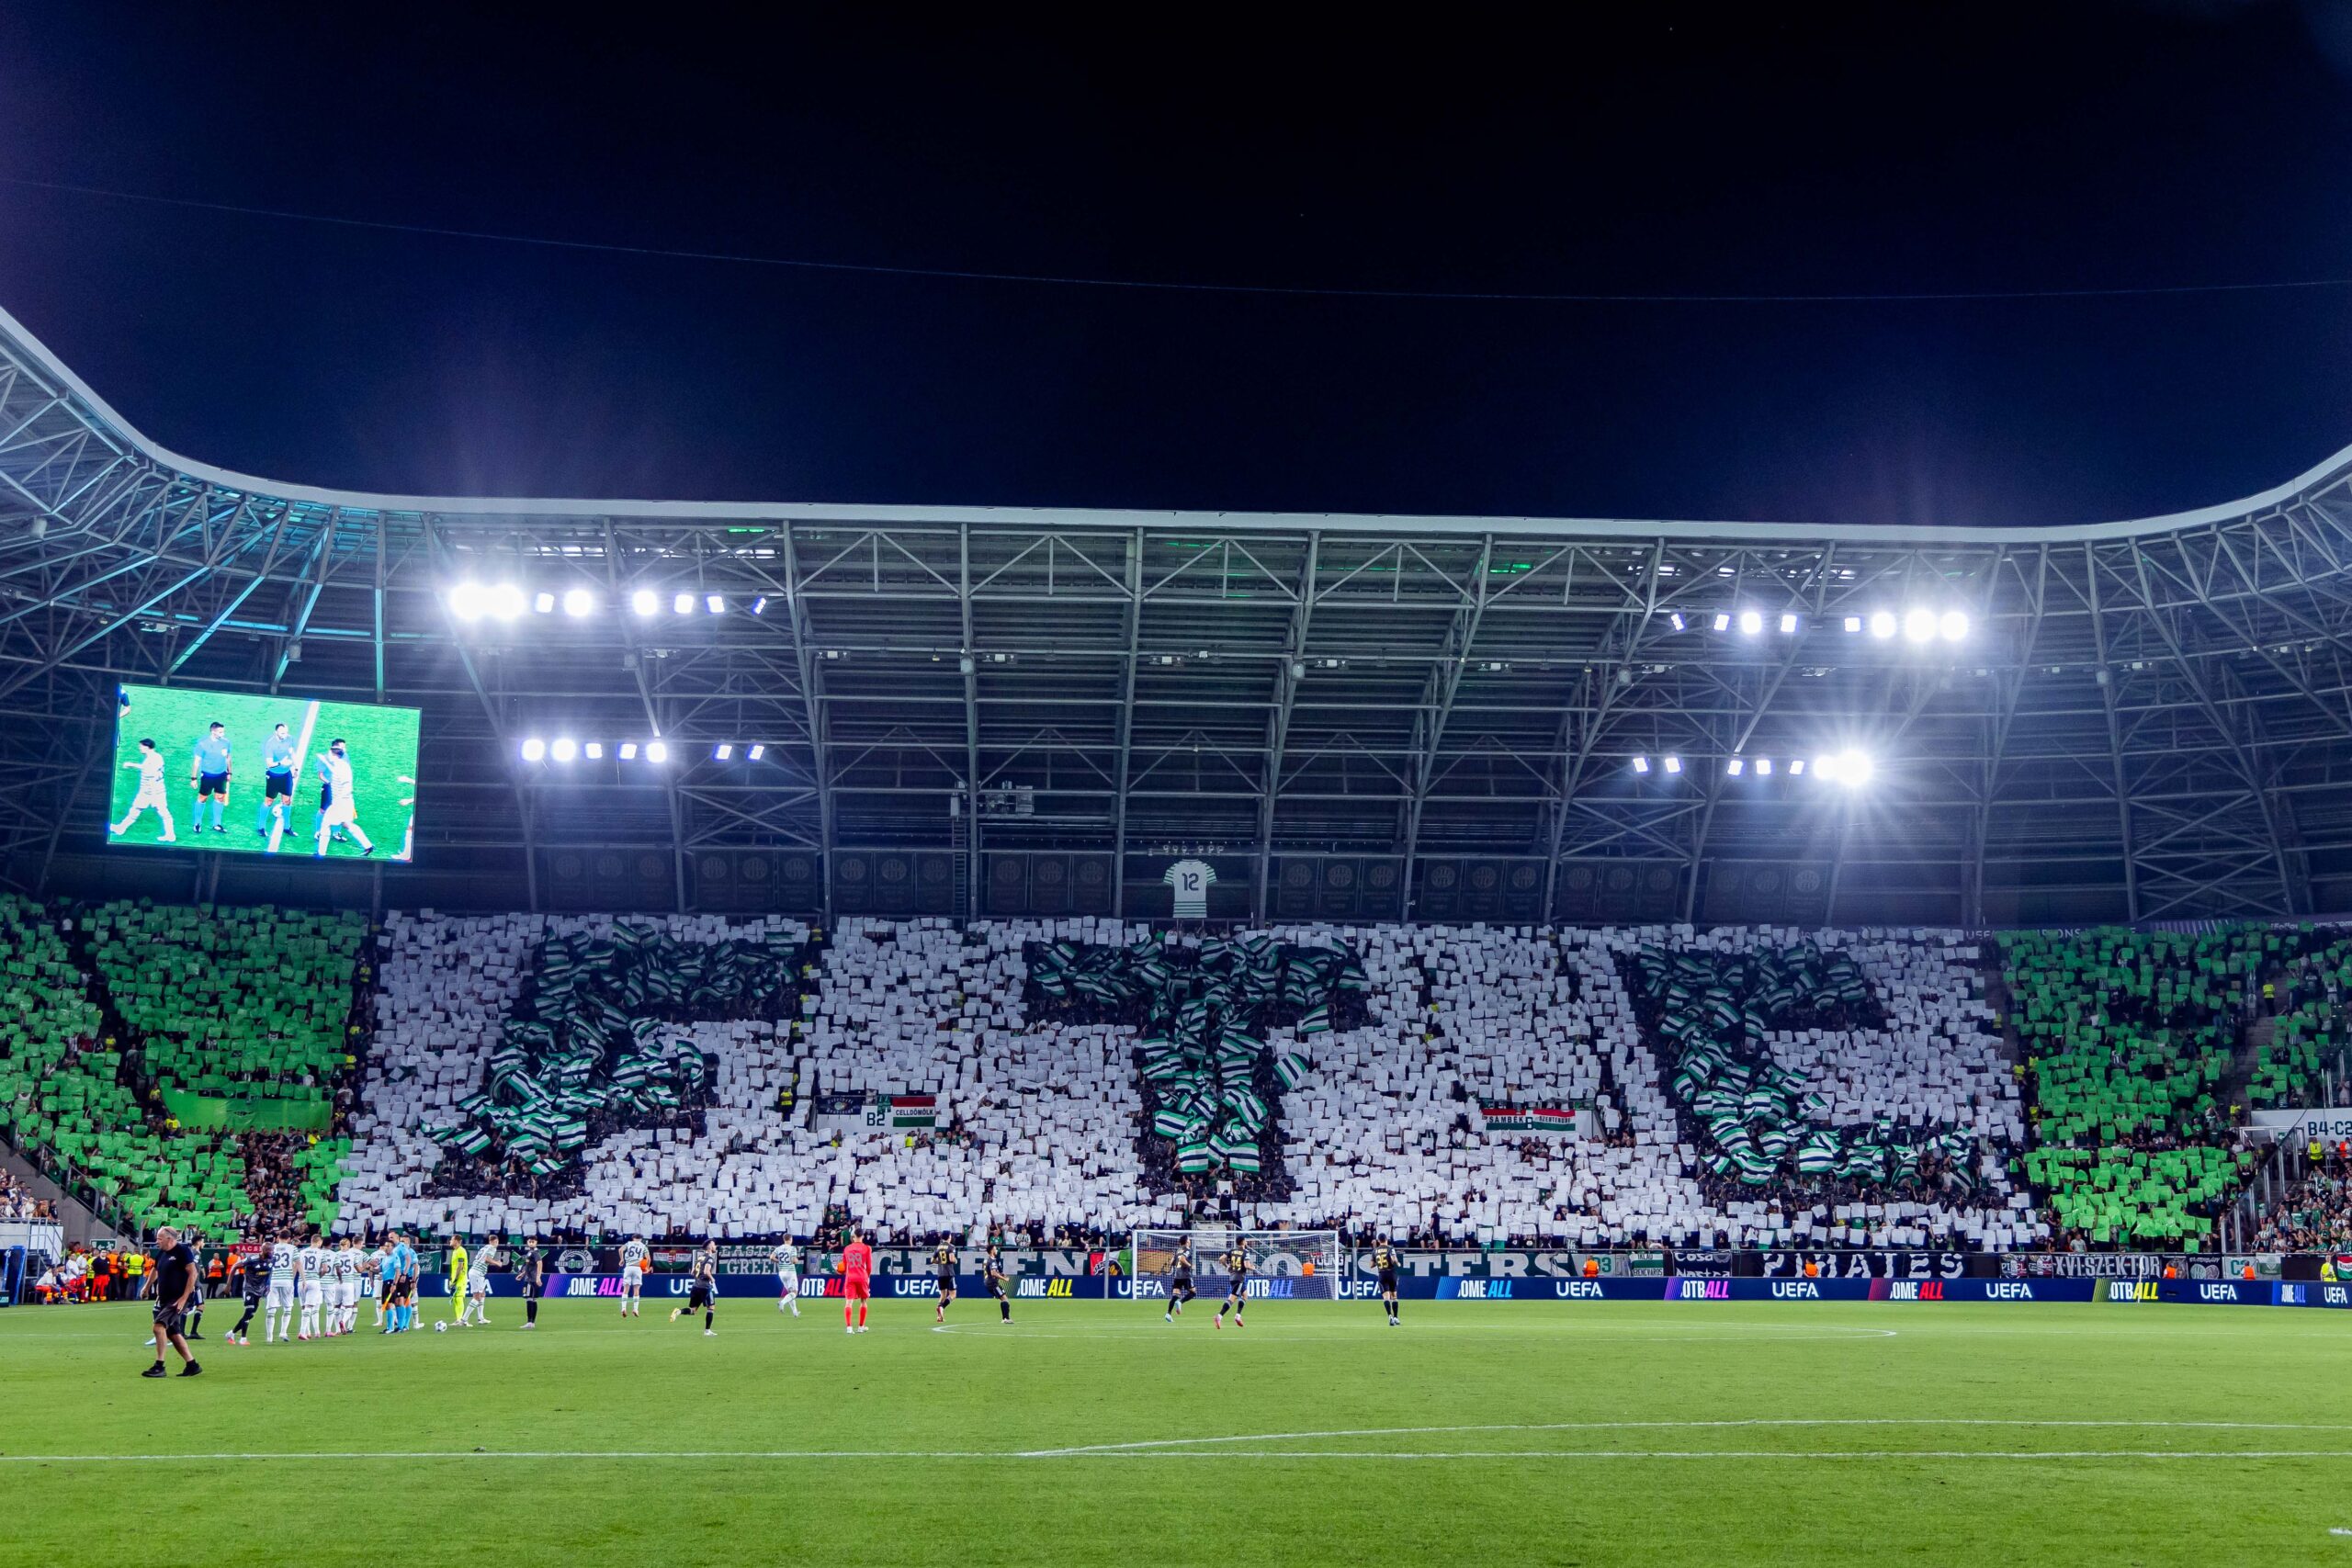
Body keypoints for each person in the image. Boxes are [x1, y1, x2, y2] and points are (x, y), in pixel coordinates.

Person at [142, 1225, 202, 1379]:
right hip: (165, 1298)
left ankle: (159, 1366)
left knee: (158, 1327)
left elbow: (193, 1273)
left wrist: (184, 1298)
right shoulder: (162, 1252)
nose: (157, 1241)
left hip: (178, 1299)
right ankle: (192, 1365)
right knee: (173, 1333)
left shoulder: (183, 1251)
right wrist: (147, 1287)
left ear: (169, 1239)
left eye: (159, 1239)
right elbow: (155, 1270)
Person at [312, 739, 376, 857]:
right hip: (345, 802)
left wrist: (338, 800)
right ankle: (368, 846)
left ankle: (321, 853)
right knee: (347, 824)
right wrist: (324, 761)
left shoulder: (342, 768)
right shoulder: (339, 765)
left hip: (341, 803)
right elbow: (334, 771)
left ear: (333, 754)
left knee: (326, 824)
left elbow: (347, 787)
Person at [110, 738, 177, 842]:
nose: (140, 748)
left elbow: (151, 772)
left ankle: (170, 835)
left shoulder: (156, 758)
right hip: (146, 791)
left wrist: (132, 765)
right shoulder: (151, 757)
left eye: (141, 746)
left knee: (164, 812)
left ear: (147, 747)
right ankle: (121, 828)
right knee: (135, 810)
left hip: (155, 791)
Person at [189, 720, 232, 835]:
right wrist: (193, 778)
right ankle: (197, 823)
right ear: (213, 731)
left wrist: (229, 772)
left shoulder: (226, 742)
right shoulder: (202, 744)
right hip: (207, 775)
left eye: (223, 732)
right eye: (220, 732)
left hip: (221, 775)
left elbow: (228, 757)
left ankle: (216, 824)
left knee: (220, 798)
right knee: (202, 798)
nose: (223, 734)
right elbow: (197, 762)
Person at [256, 722, 297, 840]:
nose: (285, 735)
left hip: (286, 775)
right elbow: (269, 764)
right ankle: (261, 827)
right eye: (282, 733)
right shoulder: (270, 745)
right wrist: (280, 763)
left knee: (287, 800)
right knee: (269, 801)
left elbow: (292, 753)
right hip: (273, 776)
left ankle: (287, 827)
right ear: (276, 733)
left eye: (286, 732)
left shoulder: (290, 739)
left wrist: (295, 767)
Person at [670, 1241, 718, 1335]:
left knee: (693, 1310)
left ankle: (678, 1312)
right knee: (711, 1308)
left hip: (696, 1286)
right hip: (705, 1286)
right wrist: (712, 1279)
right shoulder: (710, 1259)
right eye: (714, 1244)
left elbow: (692, 1272)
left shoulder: (700, 1257)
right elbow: (706, 1271)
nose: (715, 1246)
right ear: (710, 1247)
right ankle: (707, 1331)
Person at [226, 1247, 267, 1345]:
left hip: (259, 1290)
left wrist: (267, 1285)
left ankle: (231, 1333)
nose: (271, 1252)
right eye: (269, 1250)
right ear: (263, 1250)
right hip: (248, 1288)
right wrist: (228, 1284)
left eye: (272, 1250)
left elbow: (269, 1273)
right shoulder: (252, 1259)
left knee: (251, 1314)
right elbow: (235, 1266)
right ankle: (243, 1338)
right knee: (249, 1311)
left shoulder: (271, 1260)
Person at [265, 1230, 300, 1345]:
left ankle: (269, 1337)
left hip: (273, 1280)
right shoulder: (292, 1248)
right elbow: (297, 1264)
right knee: (288, 1307)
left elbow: (266, 1263)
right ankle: (283, 1332)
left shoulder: (272, 1248)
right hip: (287, 1280)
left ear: (278, 1237)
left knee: (271, 1310)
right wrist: (294, 1277)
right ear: (289, 1238)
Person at [839, 1227, 873, 1334]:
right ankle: (861, 1327)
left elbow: (843, 1267)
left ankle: (849, 1328)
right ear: (862, 1236)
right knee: (863, 1301)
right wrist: (867, 1277)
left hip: (850, 1277)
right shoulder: (867, 1248)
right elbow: (869, 1266)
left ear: (853, 1236)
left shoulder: (847, 1248)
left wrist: (838, 1270)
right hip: (862, 1276)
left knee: (849, 1302)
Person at [297, 1232, 329, 1340]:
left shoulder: (302, 1252)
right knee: (310, 1307)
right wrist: (319, 1275)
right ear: (319, 1242)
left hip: (302, 1281)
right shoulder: (321, 1253)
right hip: (314, 1281)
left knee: (303, 1307)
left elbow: (296, 1266)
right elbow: (325, 1269)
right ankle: (302, 1332)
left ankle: (307, 1331)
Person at [1213, 1244, 1250, 1330]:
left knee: (1245, 1295)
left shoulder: (1232, 1251)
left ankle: (1238, 1316)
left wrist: (1227, 1266)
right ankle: (1219, 1316)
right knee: (1232, 1299)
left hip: (1234, 1276)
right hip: (1239, 1277)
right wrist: (1252, 1267)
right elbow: (1247, 1265)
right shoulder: (1245, 1252)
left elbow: (1221, 1259)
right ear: (1243, 1242)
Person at [461, 1237, 496, 1327]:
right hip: (477, 1273)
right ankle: (464, 1320)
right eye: (496, 1242)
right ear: (493, 1241)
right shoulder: (492, 1248)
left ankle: (481, 1318)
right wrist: (497, 1263)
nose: (496, 1243)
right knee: (477, 1297)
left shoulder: (484, 1247)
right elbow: (487, 1259)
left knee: (483, 1294)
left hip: (476, 1272)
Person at [1372, 1240, 1403, 1326]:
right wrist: (1397, 1262)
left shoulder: (1375, 1251)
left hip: (1382, 1274)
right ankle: (1396, 1317)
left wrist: (1379, 1262)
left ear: (1378, 1241)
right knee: (1394, 1296)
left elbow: (1371, 1265)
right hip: (1391, 1274)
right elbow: (1394, 1260)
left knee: (1386, 1297)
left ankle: (1390, 1315)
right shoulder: (1390, 1249)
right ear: (1386, 1240)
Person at [1164, 1239, 1195, 1323]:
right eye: (1188, 1240)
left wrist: (1176, 1266)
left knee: (1175, 1295)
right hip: (1185, 1275)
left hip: (1177, 1275)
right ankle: (1180, 1302)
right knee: (1193, 1293)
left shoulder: (1178, 1250)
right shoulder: (1188, 1250)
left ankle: (1168, 1314)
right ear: (1186, 1242)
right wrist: (1190, 1265)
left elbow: (1171, 1263)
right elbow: (1182, 1259)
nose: (1190, 1241)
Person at [617, 1235, 649, 1318]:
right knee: (636, 1289)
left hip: (628, 1267)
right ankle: (635, 1309)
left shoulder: (629, 1243)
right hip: (638, 1268)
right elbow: (648, 1258)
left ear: (633, 1238)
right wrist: (646, 1268)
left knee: (626, 1288)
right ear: (641, 1239)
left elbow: (620, 1250)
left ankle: (623, 1308)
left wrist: (622, 1259)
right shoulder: (643, 1246)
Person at [515, 1238, 544, 1329]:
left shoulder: (535, 1253)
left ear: (536, 1242)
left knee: (529, 1299)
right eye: (529, 1242)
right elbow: (528, 1266)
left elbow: (540, 1264)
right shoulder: (530, 1253)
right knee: (532, 1299)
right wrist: (522, 1274)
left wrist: (538, 1277)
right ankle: (531, 1323)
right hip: (529, 1278)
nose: (531, 1243)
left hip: (531, 1280)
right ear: (527, 1243)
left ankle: (530, 1322)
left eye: (533, 1242)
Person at [770, 1238, 801, 1316]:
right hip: (790, 1271)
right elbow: (794, 1260)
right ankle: (782, 1302)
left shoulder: (778, 1248)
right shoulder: (792, 1248)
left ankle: (795, 1312)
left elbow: (771, 1257)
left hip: (781, 1272)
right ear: (790, 1239)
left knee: (790, 1293)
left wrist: (779, 1261)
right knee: (794, 1293)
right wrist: (797, 1261)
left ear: (784, 1239)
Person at [983, 1244, 1012, 1324]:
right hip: (992, 1284)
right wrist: (1004, 1279)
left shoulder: (991, 1259)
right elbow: (993, 1273)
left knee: (1004, 1299)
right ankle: (1006, 1319)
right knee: (1005, 1299)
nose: (996, 1250)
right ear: (992, 1250)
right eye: (995, 1249)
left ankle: (1005, 1318)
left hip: (990, 1283)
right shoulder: (992, 1261)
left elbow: (994, 1272)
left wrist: (1002, 1274)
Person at [932, 1239, 959, 1324]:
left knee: (943, 1295)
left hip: (940, 1274)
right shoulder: (951, 1247)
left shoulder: (938, 1247)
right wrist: (955, 1260)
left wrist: (940, 1262)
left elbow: (932, 1260)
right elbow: (951, 1259)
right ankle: (942, 1307)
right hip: (949, 1274)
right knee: (953, 1295)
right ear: (949, 1237)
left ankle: (939, 1317)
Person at [447, 1235, 469, 1325]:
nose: (450, 1241)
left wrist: (456, 1279)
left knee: (459, 1298)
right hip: (455, 1278)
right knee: (456, 1299)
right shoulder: (455, 1251)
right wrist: (451, 1279)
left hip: (461, 1278)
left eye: (452, 1239)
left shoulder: (461, 1251)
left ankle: (461, 1320)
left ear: (457, 1241)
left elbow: (460, 1266)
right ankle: (458, 1319)